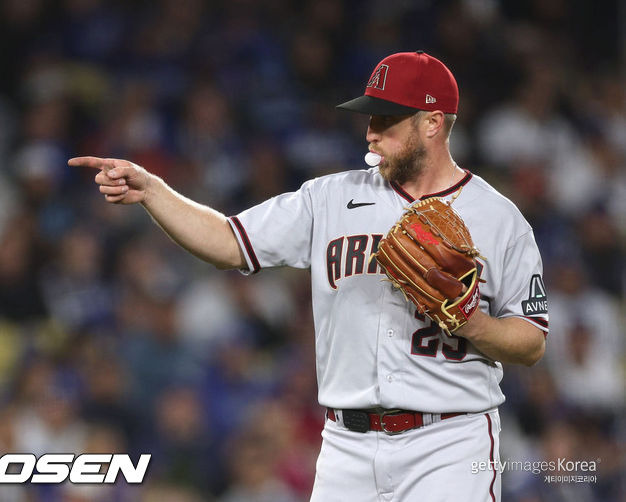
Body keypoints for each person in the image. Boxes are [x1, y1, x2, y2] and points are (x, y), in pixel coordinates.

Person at [71, 51, 548, 501]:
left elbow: (531, 342)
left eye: (386, 120)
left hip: (449, 440)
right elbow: (227, 241)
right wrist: (154, 192)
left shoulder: (498, 219)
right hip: (347, 444)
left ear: (433, 123)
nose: (370, 133)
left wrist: (470, 323)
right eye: (369, 118)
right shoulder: (329, 198)